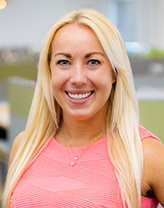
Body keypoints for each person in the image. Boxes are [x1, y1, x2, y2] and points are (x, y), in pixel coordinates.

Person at [2, 8, 164, 208]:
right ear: (49, 71)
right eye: (64, 62)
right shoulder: (24, 145)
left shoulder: (145, 153)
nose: (78, 79)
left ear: (114, 73)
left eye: (93, 62)